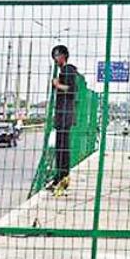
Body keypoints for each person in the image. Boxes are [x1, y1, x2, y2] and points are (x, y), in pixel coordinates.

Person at [48, 45, 78, 192]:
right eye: (54, 55)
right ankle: (60, 176)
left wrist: (57, 85)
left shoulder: (69, 70)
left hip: (65, 115)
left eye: (57, 55)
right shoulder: (62, 72)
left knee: (62, 147)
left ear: (64, 56)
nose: (55, 58)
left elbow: (72, 90)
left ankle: (63, 176)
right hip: (61, 114)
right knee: (60, 147)